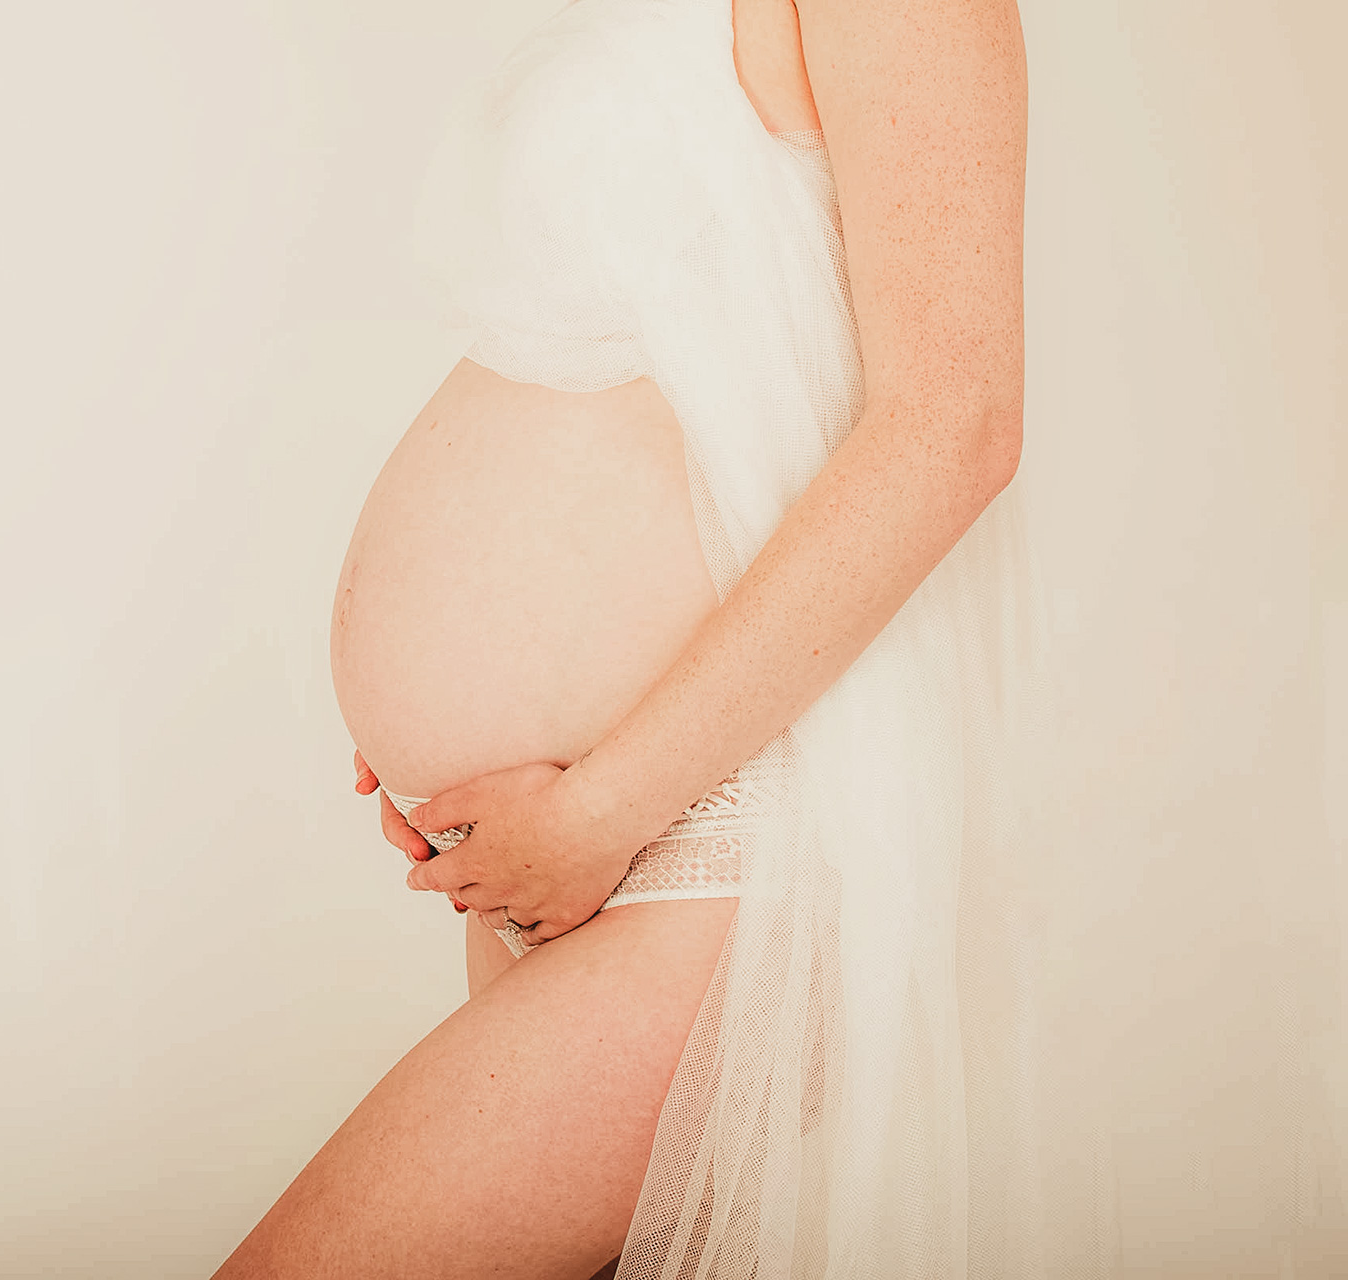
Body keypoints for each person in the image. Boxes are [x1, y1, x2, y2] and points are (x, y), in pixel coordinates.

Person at [217, 0, 1065, 1274]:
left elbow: (955, 423)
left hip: (704, 842)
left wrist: (599, 806)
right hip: (581, 837)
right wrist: (448, 719)